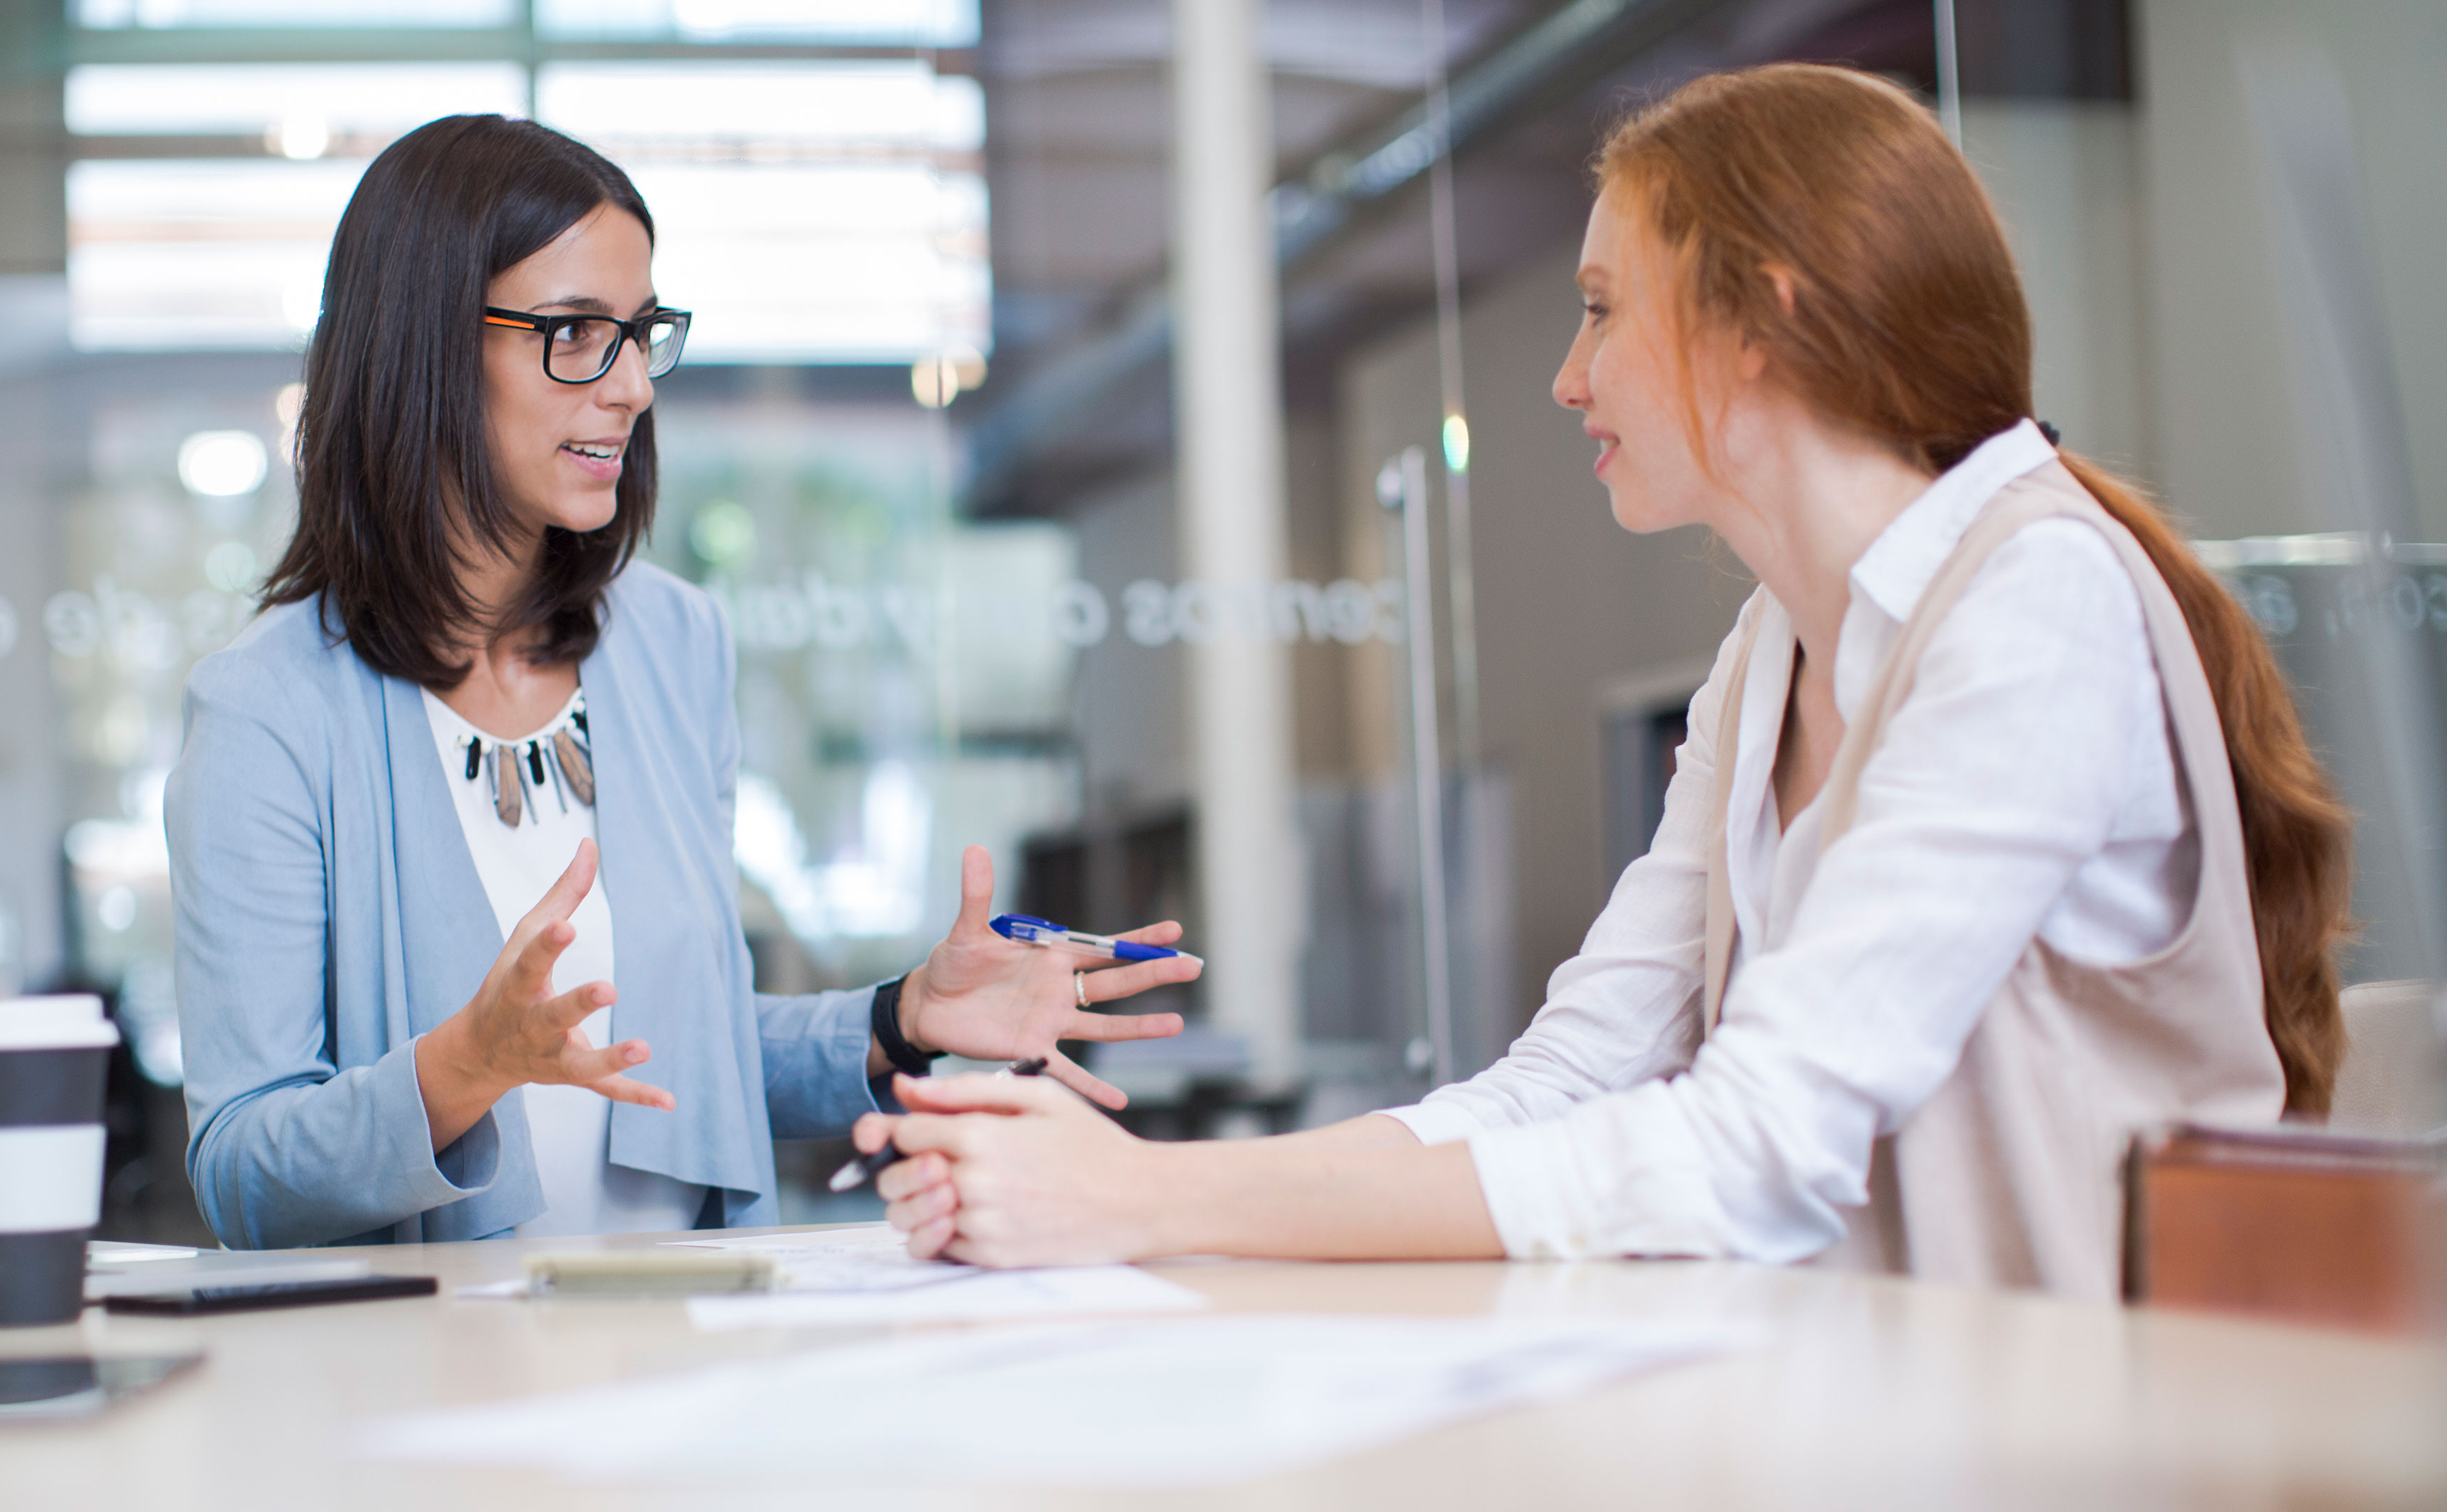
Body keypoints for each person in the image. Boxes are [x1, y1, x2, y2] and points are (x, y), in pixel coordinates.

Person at [854, 63, 2352, 1301]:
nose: (1567, 379)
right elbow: (1566, 1080)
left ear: (1752, 321)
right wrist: (1121, 1193)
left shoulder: (2037, 604)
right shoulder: (1767, 652)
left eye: (1598, 307)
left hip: (2096, 1434)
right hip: (1883, 1408)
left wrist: (1141, 1195)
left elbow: (1755, 1145)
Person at [166, 115, 1197, 1251]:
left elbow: (687, 1055)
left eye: (639, 334)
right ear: (421, 344)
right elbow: (241, 1173)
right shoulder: (269, 712)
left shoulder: (672, 643)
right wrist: (465, 1068)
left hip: (682, 1347)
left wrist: (904, 1019)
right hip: (433, 1382)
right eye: (572, 333)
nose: (629, 390)